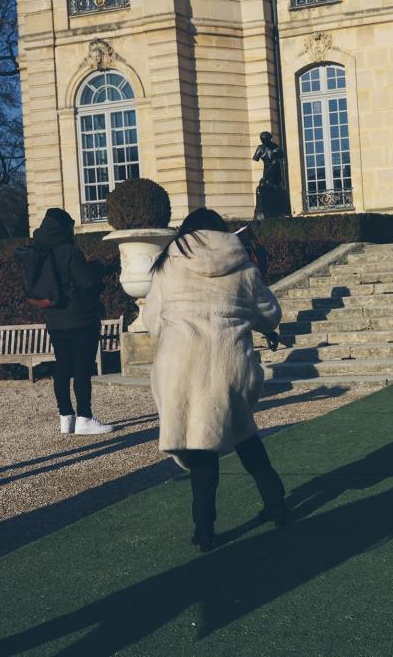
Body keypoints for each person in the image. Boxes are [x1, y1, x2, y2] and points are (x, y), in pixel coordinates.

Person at [143, 208, 286, 552]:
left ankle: (204, 530)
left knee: (198, 442)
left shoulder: (168, 264)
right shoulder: (243, 265)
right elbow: (270, 314)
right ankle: (277, 505)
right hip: (228, 358)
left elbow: (151, 320)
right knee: (244, 433)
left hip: (180, 359)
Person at [32, 208, 113, 436]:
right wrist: (96, 273)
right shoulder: (69, 252)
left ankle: (65, 417)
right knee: (81, 369)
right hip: (80, 319)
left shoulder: (40, 251)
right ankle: (84, 418)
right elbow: (86, 283)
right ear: (65, 227)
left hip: (54, 320)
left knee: (62, 366)